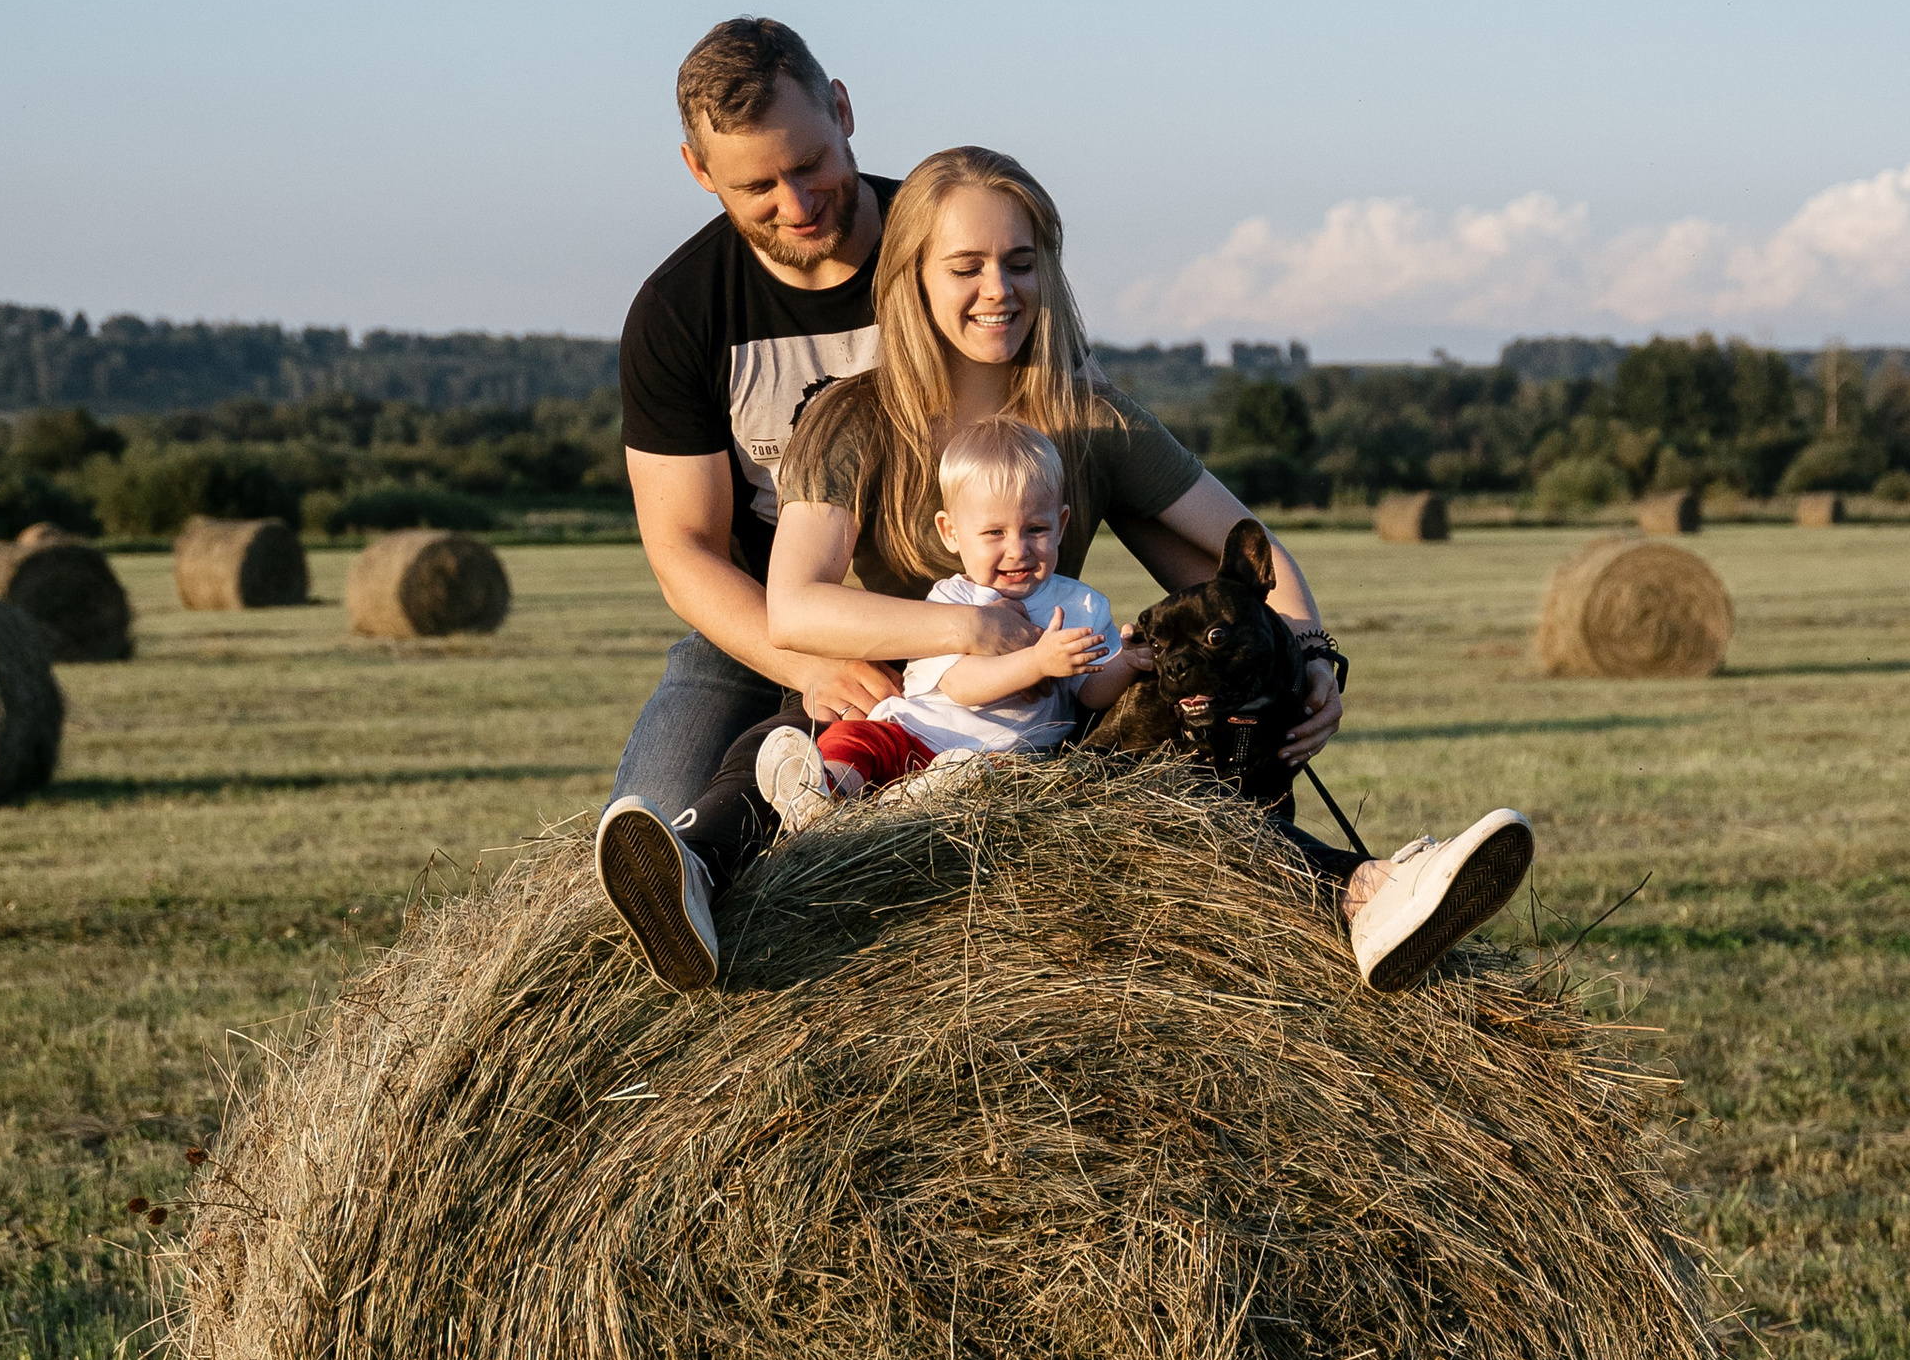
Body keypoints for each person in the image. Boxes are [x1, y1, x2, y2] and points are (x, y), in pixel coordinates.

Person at [594, 141, 1534, 995]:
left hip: (1045, 729)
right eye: (965, 267)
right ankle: (696, 879)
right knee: (772, 755)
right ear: (912, 277)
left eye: (1020, 261)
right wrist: (966, 629)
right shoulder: (852, 419)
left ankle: (1370, 892)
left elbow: (1245, 548)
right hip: (892, 699)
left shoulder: (1090, 417)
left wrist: (1313, 653)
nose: (997, 288)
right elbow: (796, 605)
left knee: (1176, 797)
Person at [609, 15, 904, 823]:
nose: (798, 204)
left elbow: (1098, 442)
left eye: (810, 165)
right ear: (698, 171)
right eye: (757, 187)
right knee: (657, 824)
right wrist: (808, 664)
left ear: (842, 109)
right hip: (762, 625)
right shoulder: (678, 312)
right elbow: (684, 550)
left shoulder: (951, 247)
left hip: (947, 603)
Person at [753, 412, 1145, 822]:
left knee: (1008, 778)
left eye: (1036, 529)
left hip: (1005, 755)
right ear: (951, 532)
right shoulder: (952, 598)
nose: (1018, 549)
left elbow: (1092, 693)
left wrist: (1127, 663)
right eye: (994, 533)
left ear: (1061, 524)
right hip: (916, 733)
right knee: (858, 737)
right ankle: (823, 792)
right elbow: (962, 686)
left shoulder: (1083, 604)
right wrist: (1038, 662)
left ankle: (915, 799)